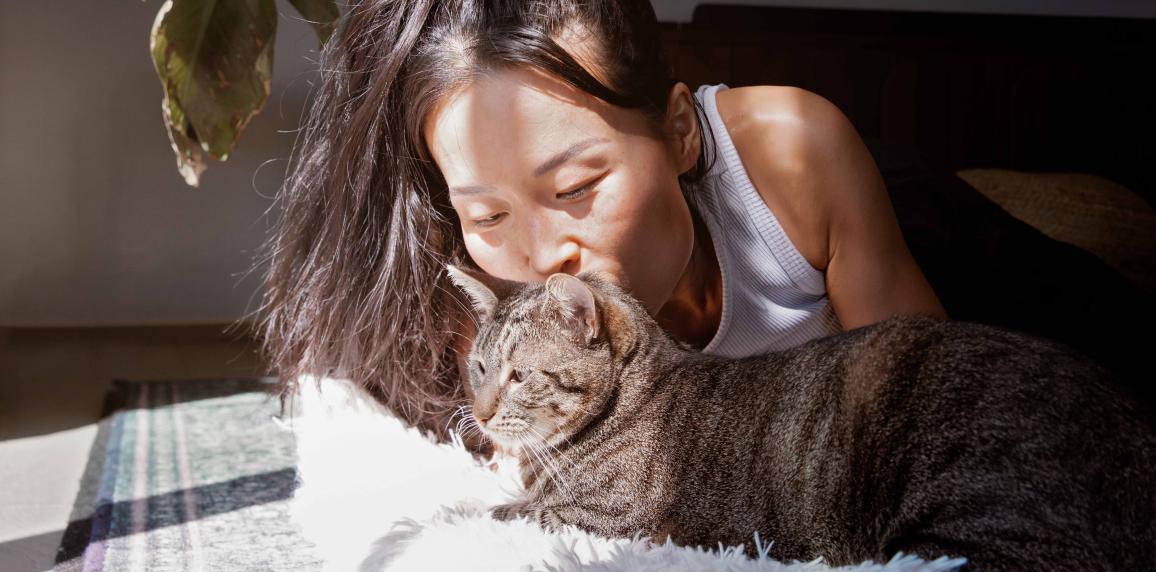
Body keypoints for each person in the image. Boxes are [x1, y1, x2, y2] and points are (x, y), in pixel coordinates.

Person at [255, 0, 1146, 442]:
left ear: (678, 129)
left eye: (576, 189)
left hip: (929, 237)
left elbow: (922, 414)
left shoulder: (792, 152)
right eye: (489, 212)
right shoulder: (478, 281)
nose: (539, 255)